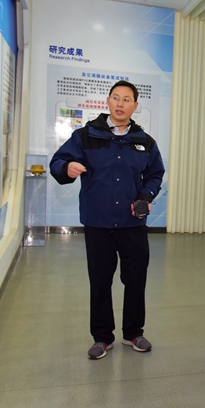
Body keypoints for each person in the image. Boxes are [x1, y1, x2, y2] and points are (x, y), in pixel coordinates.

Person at [50, 80, 164, 360]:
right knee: (100, 282)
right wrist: (67, 167)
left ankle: (134, 333)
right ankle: (102, 338)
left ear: (135, 105)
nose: (120, 103)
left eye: (126, 99)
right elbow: (57, 163)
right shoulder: (85, 136)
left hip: (132, 225)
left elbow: (155, 174)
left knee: (135, 280)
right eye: (116, 97)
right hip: (98, 223)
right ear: (108, 101)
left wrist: (144, 196)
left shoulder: (145, 142)